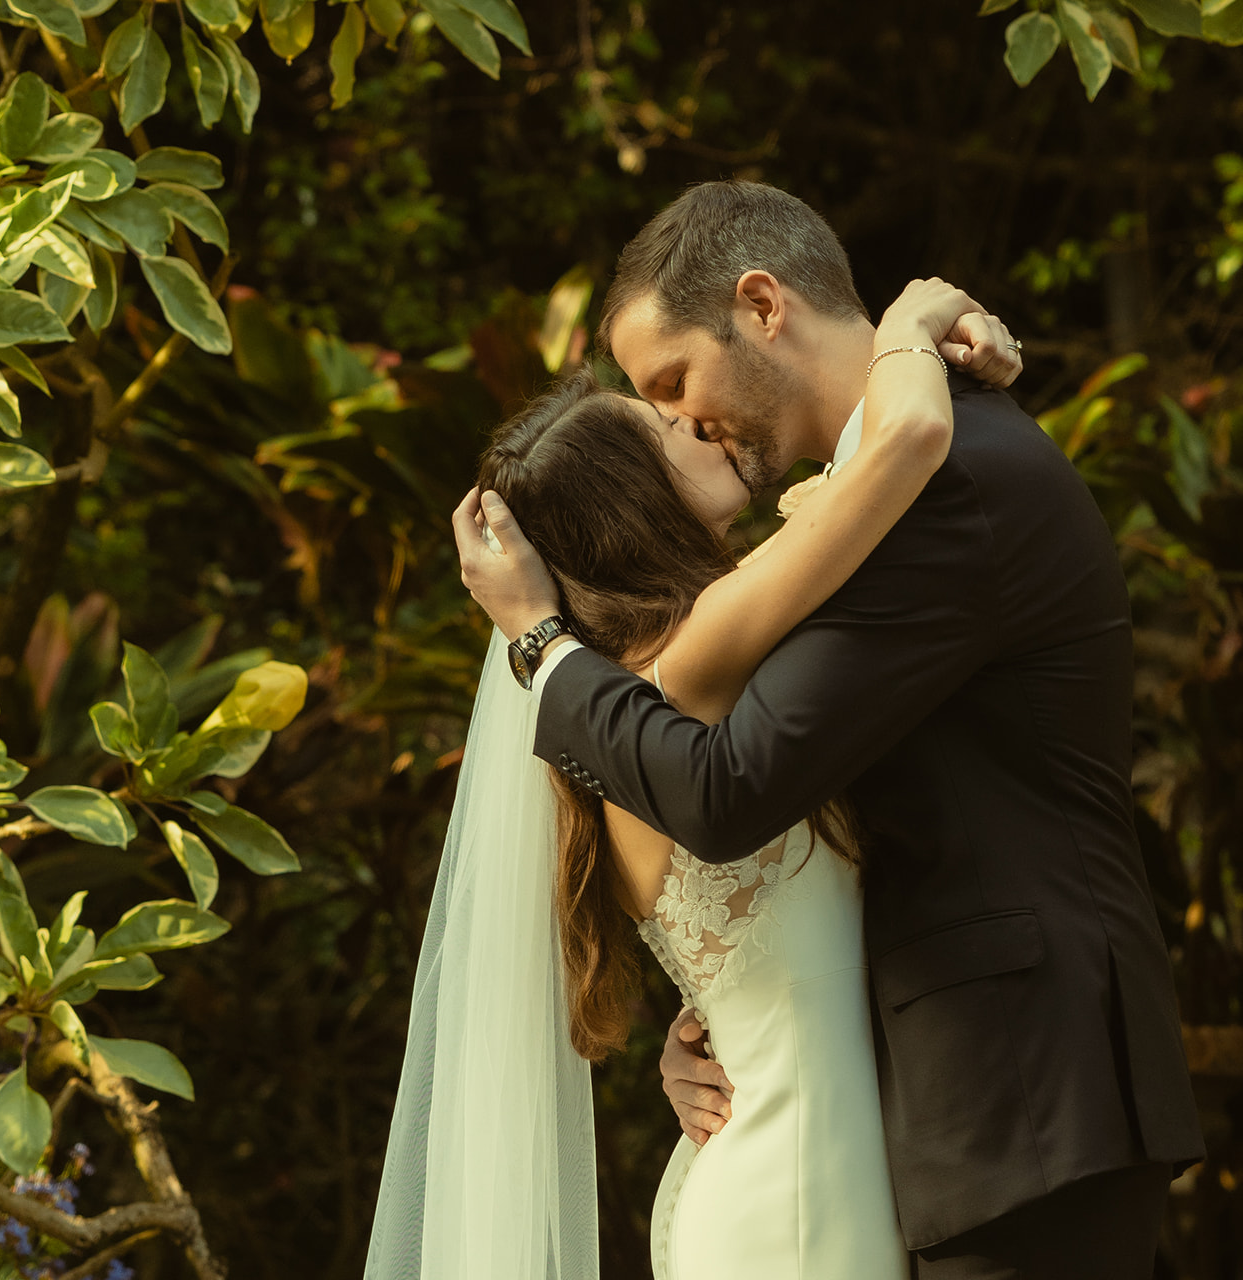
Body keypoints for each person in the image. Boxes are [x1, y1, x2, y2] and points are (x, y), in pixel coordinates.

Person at [456, 180, 1206, 1280]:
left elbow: (729, 787)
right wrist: (726, 1016)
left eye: (673, 384)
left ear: (762, 307)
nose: (687, 415)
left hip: (1024, 1101)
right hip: (929, 1135)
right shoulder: (859, 506)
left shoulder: (939, 480)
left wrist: (538, 644)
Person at [367, 277, 1013, 1279]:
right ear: (630, 496)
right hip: (796, 1207)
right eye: (658, 422)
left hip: (767, 1178)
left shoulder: (619, 713)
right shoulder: (696, 658)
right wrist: (914, 318)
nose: (691, 415)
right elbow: (906, 439)